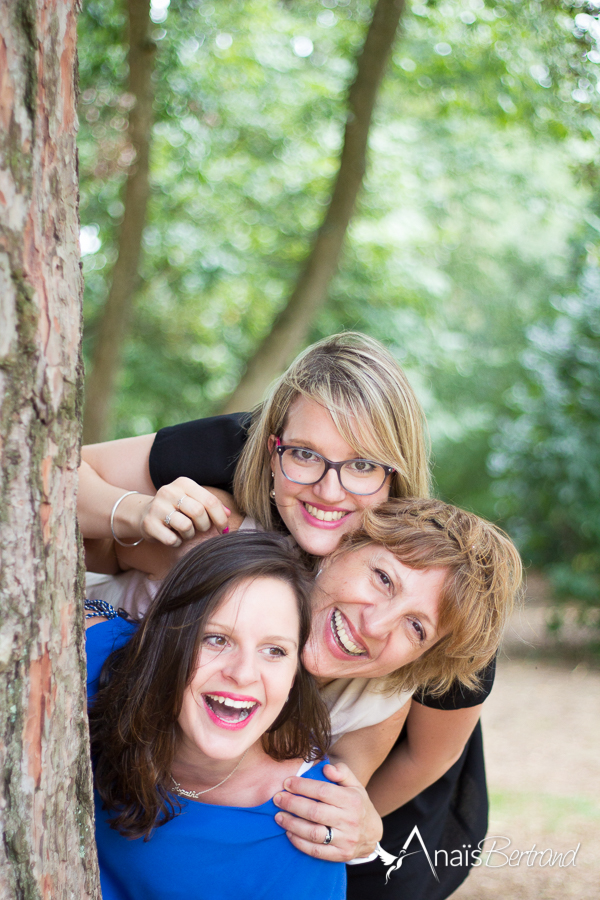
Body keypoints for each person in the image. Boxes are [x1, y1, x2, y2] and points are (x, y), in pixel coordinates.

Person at [78, 333, 521, 899]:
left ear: (396, 477)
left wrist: (353, 819)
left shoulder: (422, 638)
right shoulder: (228, 505)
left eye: (363, 465)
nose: (329, 489)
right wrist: (136, 513)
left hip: (399, 809)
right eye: (306, 455)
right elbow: (70, 501)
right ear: (272, 449)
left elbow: (422, 755)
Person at [86, 531, 346, 900]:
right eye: (216, 639)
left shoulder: (304, 827)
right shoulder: (99, 662)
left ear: (294, 676)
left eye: (274, 650)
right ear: (168, 640)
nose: (243, 673)